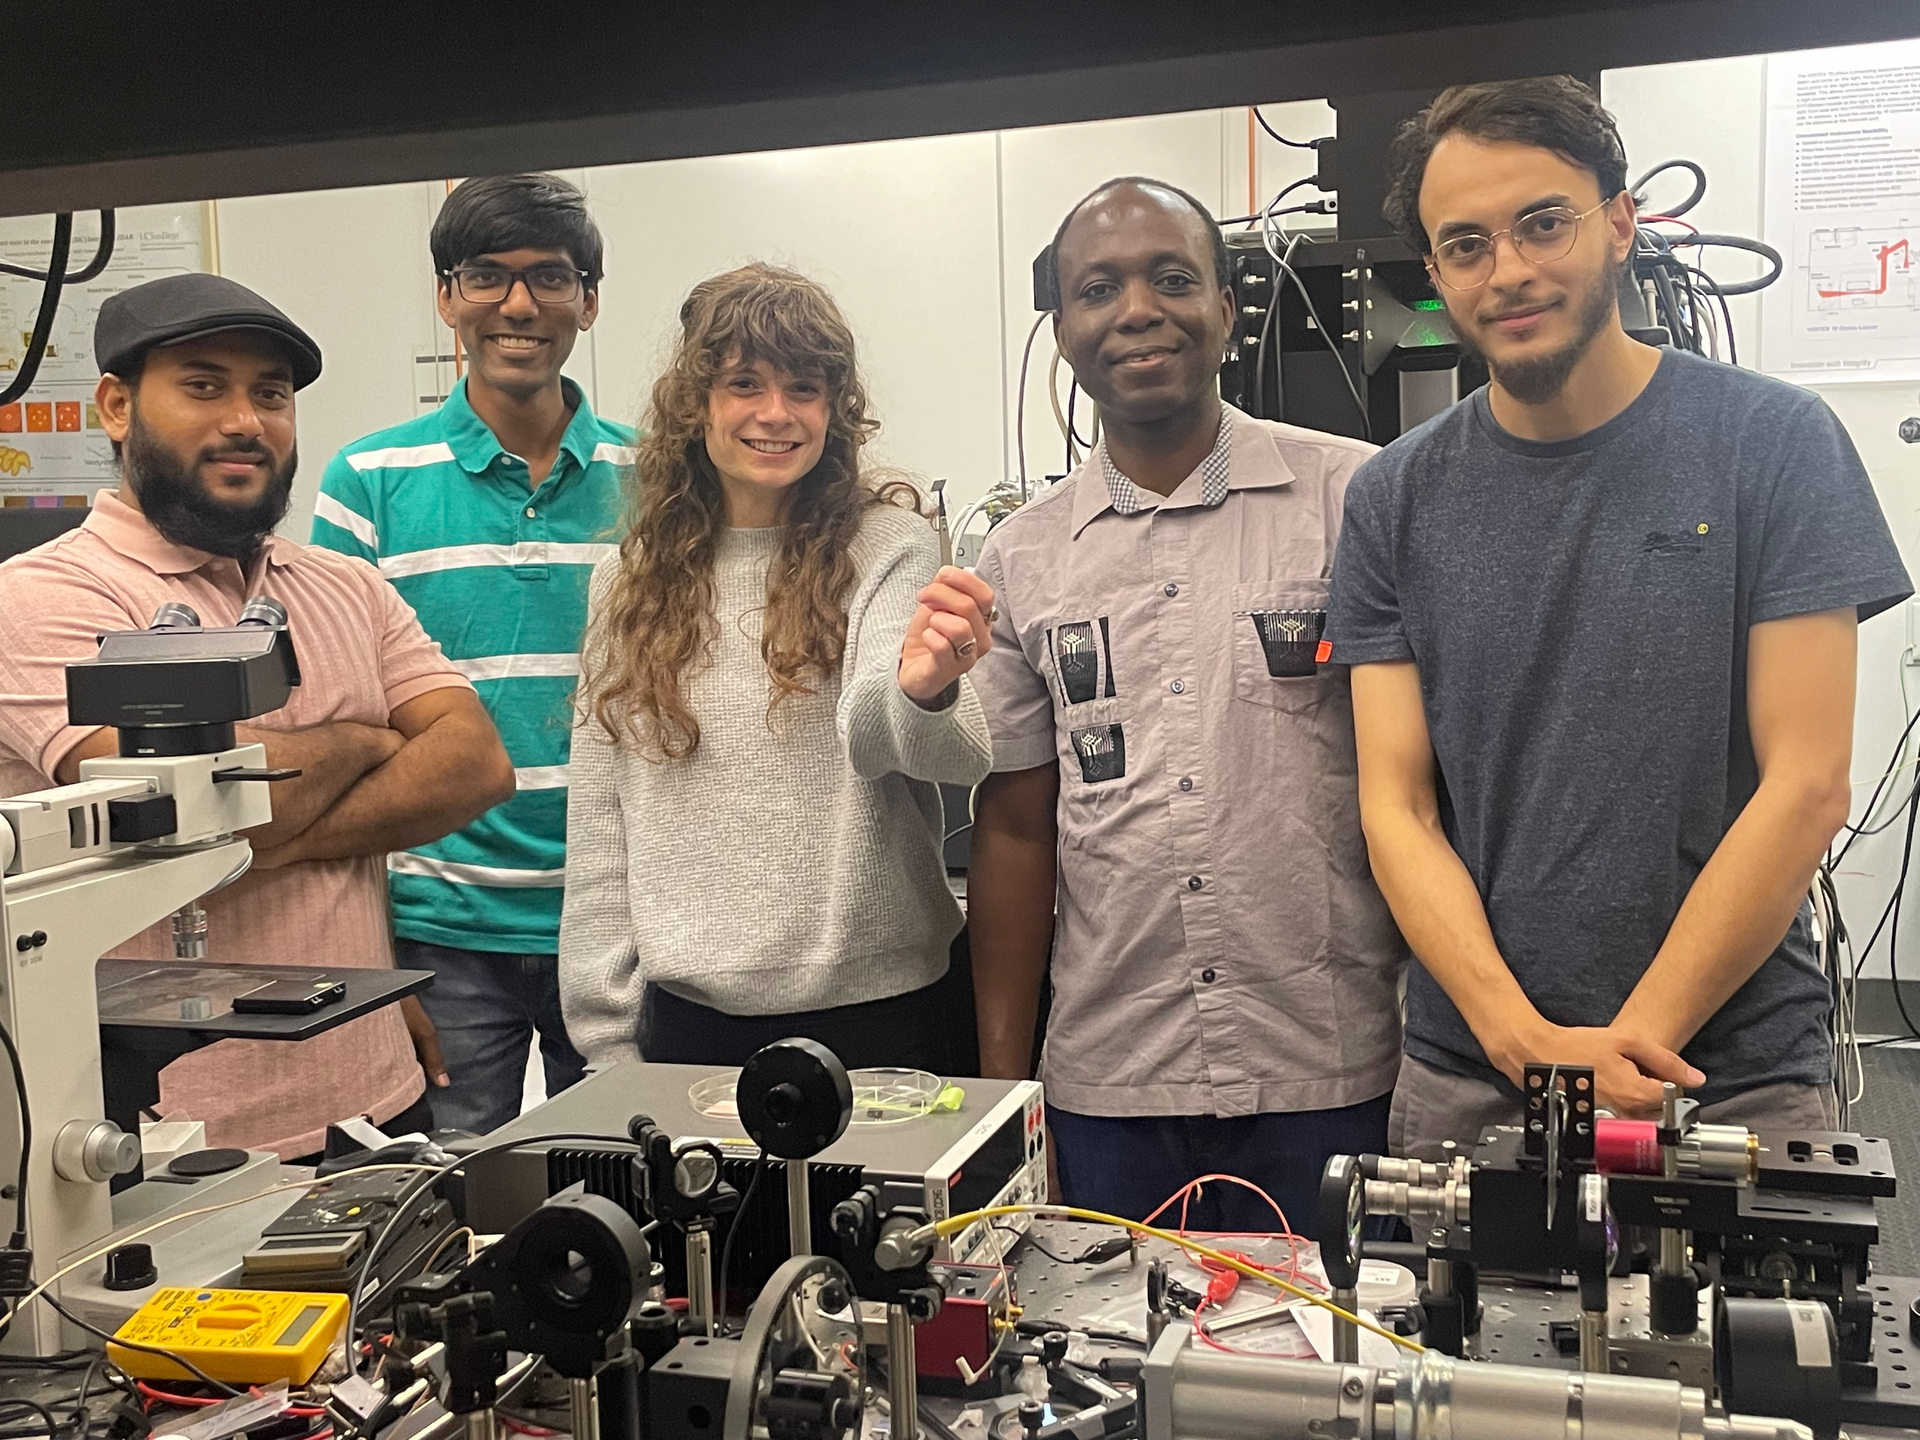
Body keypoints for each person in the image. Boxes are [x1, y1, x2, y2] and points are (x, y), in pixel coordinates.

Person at [1323, 77, 1911, 1159]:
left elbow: (1808, 782)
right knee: (1448, 1338)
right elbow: (1396, 806)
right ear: (1438, 273)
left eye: (1543, 221)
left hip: (1727, 1074)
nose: (1509, 270)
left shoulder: (1772, 444)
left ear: (1621, 219)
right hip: (1476, 1075)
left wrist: (1630, 1049)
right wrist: (1525, 1044)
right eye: (1466, 244)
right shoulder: (1392, 498)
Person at [965, 177, 1407, 1234]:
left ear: (1227, 308)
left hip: (1330, 1065)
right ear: (1062, 328)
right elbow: (1018, 832)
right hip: (1112, 1082)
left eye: (1172, 279)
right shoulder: (1021, 557)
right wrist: (1005, 1099)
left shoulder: (1358, 501)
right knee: (1099, 1385)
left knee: (1340, 1380)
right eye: (1097, 289)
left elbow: (1426, 792)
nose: (1137, 310)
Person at [0, 273, 516, 1160]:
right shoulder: (40, 598)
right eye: (204, 386)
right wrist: (370, 740)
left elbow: (476, 765)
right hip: (162, 1135)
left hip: (375, 1096)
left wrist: (246, 832)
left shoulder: (344, 585)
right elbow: (174, 809)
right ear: (118, 407)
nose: (245, 420)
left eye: (269, 394)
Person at [559, 263, 995, 1071]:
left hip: (889, 1016)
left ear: (835, 408)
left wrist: (922, 690)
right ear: (697, 404)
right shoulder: (627, 584)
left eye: (804, 388)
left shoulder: (884, 545)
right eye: (744, 384)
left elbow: (940, 752)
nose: (775, 414)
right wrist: (606, 1040)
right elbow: (601, 825)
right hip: (693, 1031)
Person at [313, 174, 626, 1135]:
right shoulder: (367, 480)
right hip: (441, 935)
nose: (520, 305)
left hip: (617, 925)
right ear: (447, 297)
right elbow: (342, 731)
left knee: (626, 1206)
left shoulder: (659, 479)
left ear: (590, 300)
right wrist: (374, 969)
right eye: (487, 277)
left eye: (550, 278)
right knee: (450, 1220)